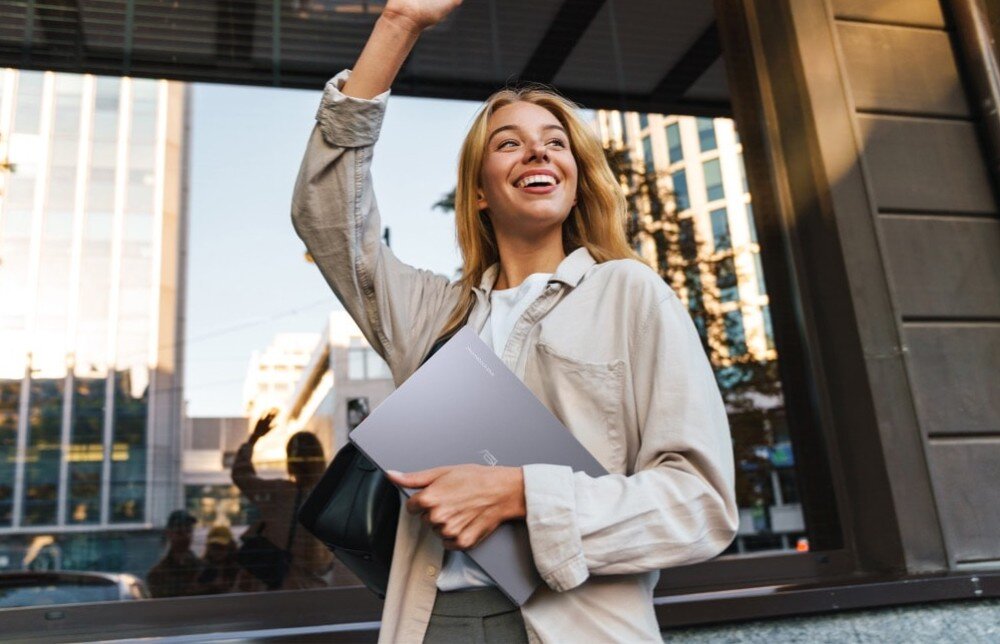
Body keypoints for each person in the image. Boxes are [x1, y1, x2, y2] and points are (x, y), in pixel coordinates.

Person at [290, 1, 739, 640]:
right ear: (479, 191)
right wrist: (398, 25)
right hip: (432, 622)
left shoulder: (630, 294)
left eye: (556, 143)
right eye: (510, 143)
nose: (537, 151)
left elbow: (700, 507)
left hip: (576, 627)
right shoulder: (432, 315)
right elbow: (327, 220)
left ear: (577, 181)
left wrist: (524, 493)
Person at [231, 412, 333, 591]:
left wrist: (254, 438)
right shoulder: (330, 499)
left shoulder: (279, 493)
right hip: (314, 592)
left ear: (290, 462)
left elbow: (241, 475)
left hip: (277, 591)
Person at [147, 510, 204, 598]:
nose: (186, 536)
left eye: (189, 530)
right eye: (180, 532)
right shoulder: (157, 574)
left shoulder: (203, 568)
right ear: (169, 533)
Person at [196, 525, 240, 594]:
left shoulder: (237, 569)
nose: (217, 551)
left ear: (230, 546)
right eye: (214, 546)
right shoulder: (202, 568)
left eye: (221, 547)